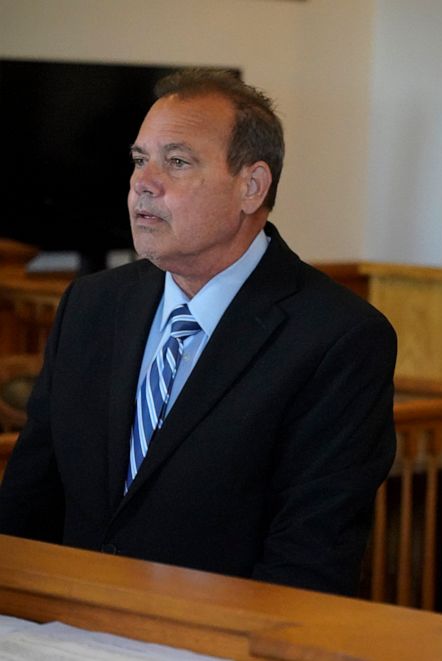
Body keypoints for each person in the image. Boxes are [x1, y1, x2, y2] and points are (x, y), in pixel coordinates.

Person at [0, 70, 397, 596]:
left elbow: (309, 558)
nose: (144, 182)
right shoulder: (92, 305)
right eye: (140, 160)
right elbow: (29, 501)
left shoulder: (339, 336)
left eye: (178, 162)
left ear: (251, 187)